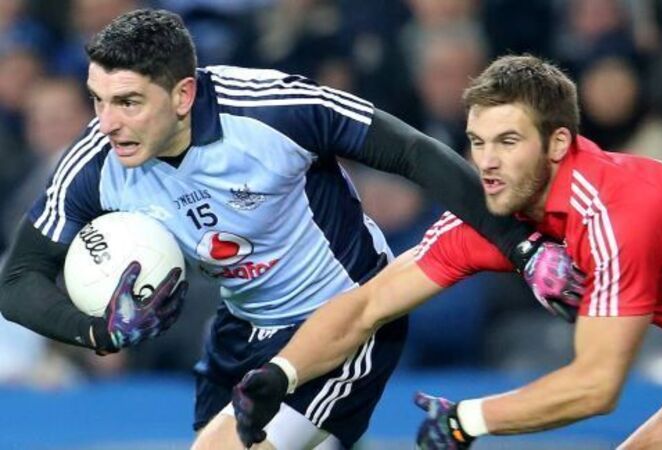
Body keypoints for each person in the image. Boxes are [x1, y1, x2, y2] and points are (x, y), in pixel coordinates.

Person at [0, 10, 581, 450]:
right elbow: (19, 277)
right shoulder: (96, 164)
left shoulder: (272, 109)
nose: (107, 123)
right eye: (98, 100)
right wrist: (99, 330)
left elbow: (412, 152)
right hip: (241, 329)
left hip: (348, 318)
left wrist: (521, 246)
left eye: (128, 102)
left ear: (183, 94)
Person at [231, 54, 662, 450]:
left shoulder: (617, 211)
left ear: (557, 143)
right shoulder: (496, 212)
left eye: (508, 141)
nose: (487, 162)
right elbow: (368, 305)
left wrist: (469, 419)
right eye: (477, 142)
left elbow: (597, 387)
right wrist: (282, 372)